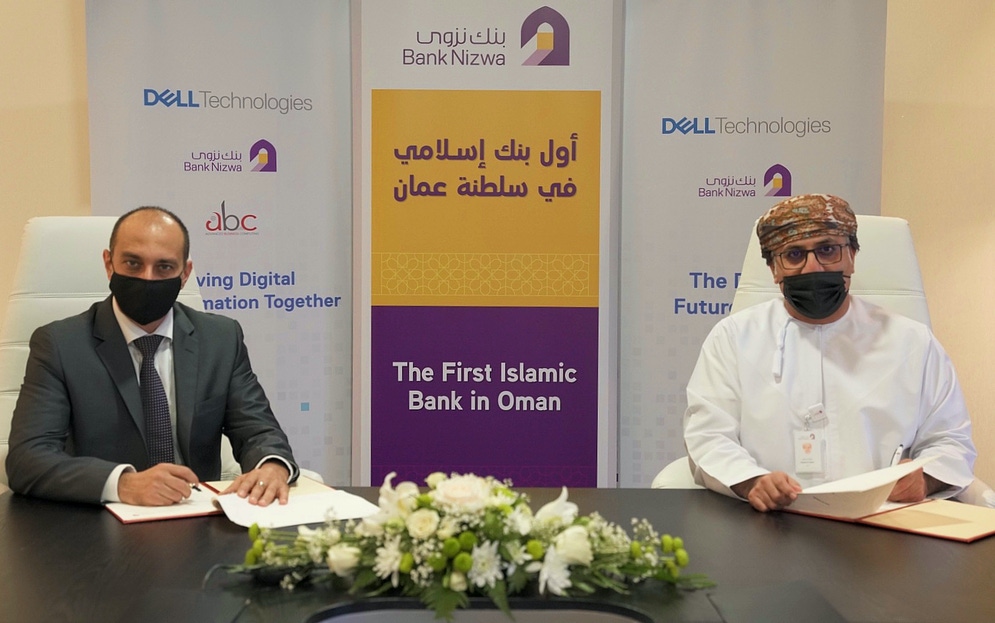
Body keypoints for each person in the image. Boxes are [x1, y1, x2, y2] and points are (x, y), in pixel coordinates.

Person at [683, 194, 976, 512]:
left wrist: (925, 479)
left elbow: (951, 440)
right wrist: (752, 481)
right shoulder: (733, 338)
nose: (813, 266)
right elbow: (708, 435)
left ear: (851, 255)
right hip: (773, 520)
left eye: (827, 250)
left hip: (881, 521)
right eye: (794, 254)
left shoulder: (912, 342)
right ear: (773, 269)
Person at [6, 206, 299, 507]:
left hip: (197, 520)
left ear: (185, 274)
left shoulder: (220, 338)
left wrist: (272, 465)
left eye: (164, 268)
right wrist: (124, 484)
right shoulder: (60, 344)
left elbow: (257, 429)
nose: (147, 278)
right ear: (109, 264)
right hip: (102, 524)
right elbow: (27, 459)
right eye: (133, 264)